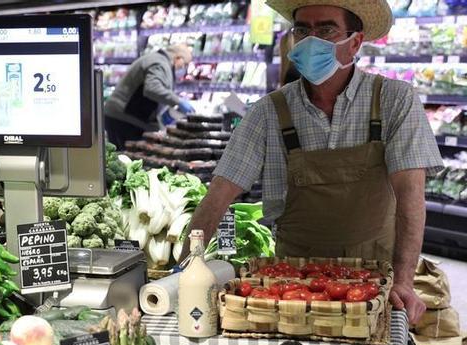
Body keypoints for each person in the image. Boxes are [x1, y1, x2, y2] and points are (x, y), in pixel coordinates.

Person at [182, 0, 442, 324]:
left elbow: (410, 198)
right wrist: (184, 270)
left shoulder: (393, 100)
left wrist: (404, 281)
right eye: (302, 29)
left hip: (373, 281)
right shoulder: (268, 112)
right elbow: (219, 194)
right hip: (292, 285)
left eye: (326, 29)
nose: (310, 40)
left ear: (356, 42)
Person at [104, 44, 195, 149]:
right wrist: (178, 101)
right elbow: (152, 88)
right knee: (126, 159)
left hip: (122, 115)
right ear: (178, 58)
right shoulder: (160, 63)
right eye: (185, 64)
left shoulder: (156, 59)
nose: (183, 68)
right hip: (124, 118)